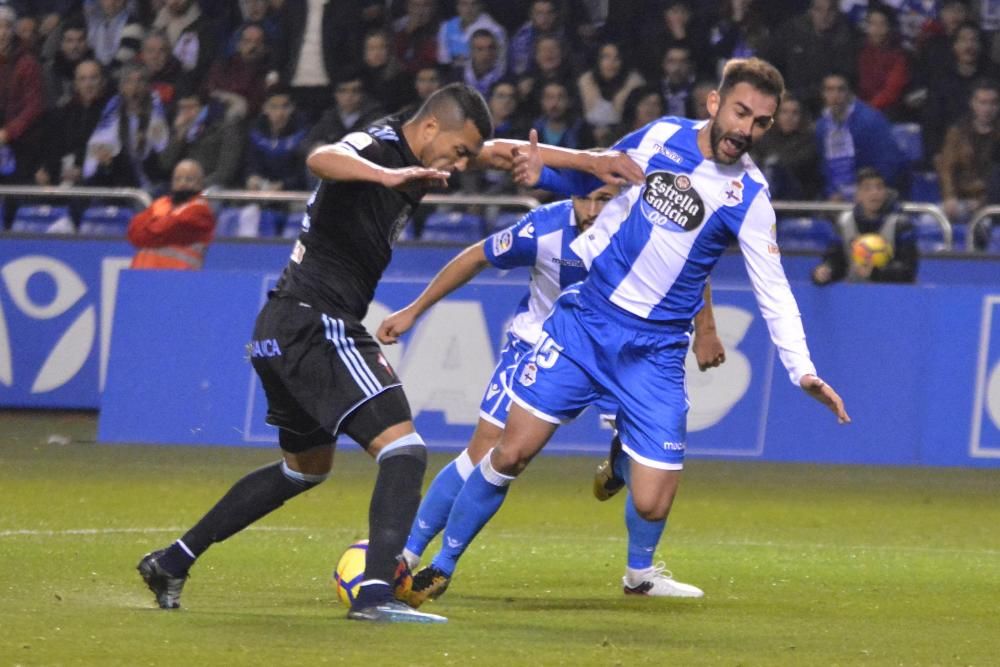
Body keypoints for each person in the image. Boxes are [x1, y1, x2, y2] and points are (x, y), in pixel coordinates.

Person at [401, 57, 850, 605]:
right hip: (586, 325)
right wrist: (542, 170)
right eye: (740, 112)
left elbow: (773, 288)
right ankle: (441, 565)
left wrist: (802, 370)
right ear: (714, 103)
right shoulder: (662, 134)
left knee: (653, 502)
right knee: (510, 452)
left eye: (760, 122)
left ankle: (636, 558)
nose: (745, 129)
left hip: (654, 354)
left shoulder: (750, 198)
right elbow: (600, 168)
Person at [136, 83, 567, 624]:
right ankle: (375, 598)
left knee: (304, 469)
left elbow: (494, 151)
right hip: (315, 320)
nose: (458, 168)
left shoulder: (425, 153)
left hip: (283, 323)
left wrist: (568, 163)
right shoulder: (382, 147)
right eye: (457, 152)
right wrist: (385, 176)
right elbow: (323, 158)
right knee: (404, 449)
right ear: (430, 127)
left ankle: (172, 560)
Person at [376, 185, 726, 601]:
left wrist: (706, 329)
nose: (595, 208)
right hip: (544, 346)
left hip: (626, 355)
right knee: (490, 452)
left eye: (607, 198)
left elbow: (690, 269)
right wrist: (414, 309)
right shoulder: (544, 228)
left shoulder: (646, 222)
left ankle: (640, 573)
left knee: (646, 470)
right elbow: (476, 255)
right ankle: (408, 557)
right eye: (588, 195)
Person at [811, 167, 918, 285]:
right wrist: (826, 271)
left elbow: (908, 270)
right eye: (867, 188)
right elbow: (836, 261)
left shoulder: (901, 224)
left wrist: (875, 273)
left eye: (879, 187)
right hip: (856, 294)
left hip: (893, 295)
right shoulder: (844, 222)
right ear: (857, 195)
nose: (875, 193)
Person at [815, 72, 907, 201]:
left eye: (840, 90)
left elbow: (887, 164)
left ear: (849, 93)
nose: (835, 95)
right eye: (830, 90)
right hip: (837, 196)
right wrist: (831, 193)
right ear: (823, 94)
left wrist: (865, 191)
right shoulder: (821, 126)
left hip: (874, 193)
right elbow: (824, 168)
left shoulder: (871, 121)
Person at [127, 159, 216, 270]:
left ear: (200, 184)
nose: (182, 183)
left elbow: (172, 229)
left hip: (177, 279)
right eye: (177, 179)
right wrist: (160, 225)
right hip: (142, 277)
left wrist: (154, 222)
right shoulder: (161, 202)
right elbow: (134, 233)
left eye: (189, 179)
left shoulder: (200, 210)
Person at [936, 78, 1000, 227]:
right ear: (973, 103)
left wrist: (984, 202)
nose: (987, 108)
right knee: (929, 221)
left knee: (984, 227)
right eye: (982, 103)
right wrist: (950, 197)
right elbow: (947, 169)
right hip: (961, 201)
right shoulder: (957, 132)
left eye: (993, 103)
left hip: (992, 205)